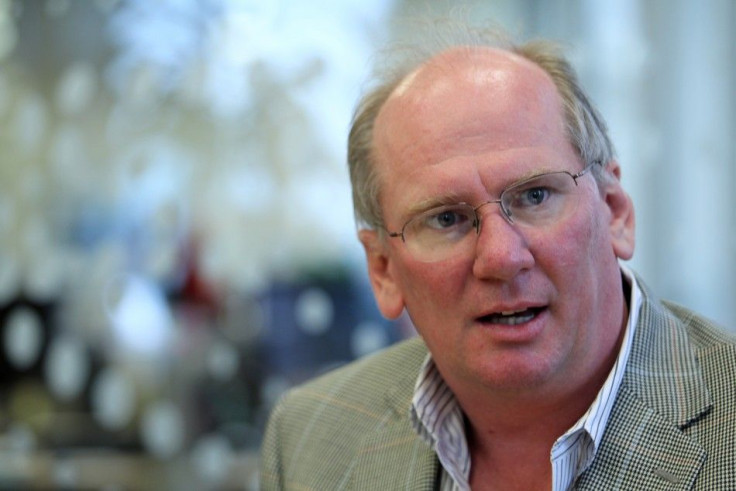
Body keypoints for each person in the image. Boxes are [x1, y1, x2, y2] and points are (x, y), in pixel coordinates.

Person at [260, 24, 736, 490]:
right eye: (446, 219)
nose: (502, 257)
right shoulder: (308, 439)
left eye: (534, 196)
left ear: (615, 213)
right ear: (383, 270)